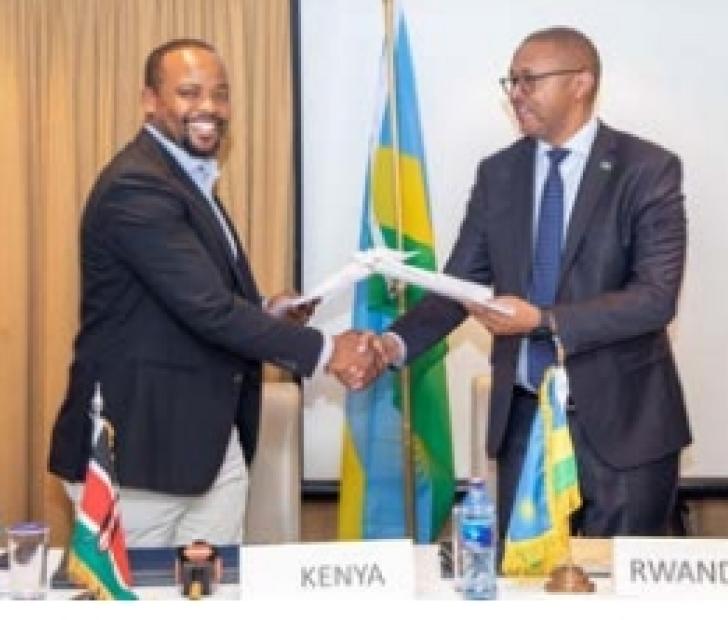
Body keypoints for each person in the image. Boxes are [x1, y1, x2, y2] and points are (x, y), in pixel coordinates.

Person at [48, 39, 380, 547]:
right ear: (150, 101)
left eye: (220, 95)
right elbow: (206, 308)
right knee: (139, 598)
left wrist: (267, 312)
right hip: (137, 452)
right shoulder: (136, 186)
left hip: (209, 444)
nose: (209, 107)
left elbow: (190, 297)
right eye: (188, 92)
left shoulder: (185, 179)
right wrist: (328, 350)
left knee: (215, 593)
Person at [373, 27, 690, 549]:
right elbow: (462, 285)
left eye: (528, 80)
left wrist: (543, 321)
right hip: (525, 420)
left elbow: (655, 298)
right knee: (524, 588)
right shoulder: (499, 173)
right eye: (511, 81)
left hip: (624, 428)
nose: (515, 93)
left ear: (581, 83)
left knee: (624, 591)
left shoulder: (647, 168)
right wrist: (391, 343)